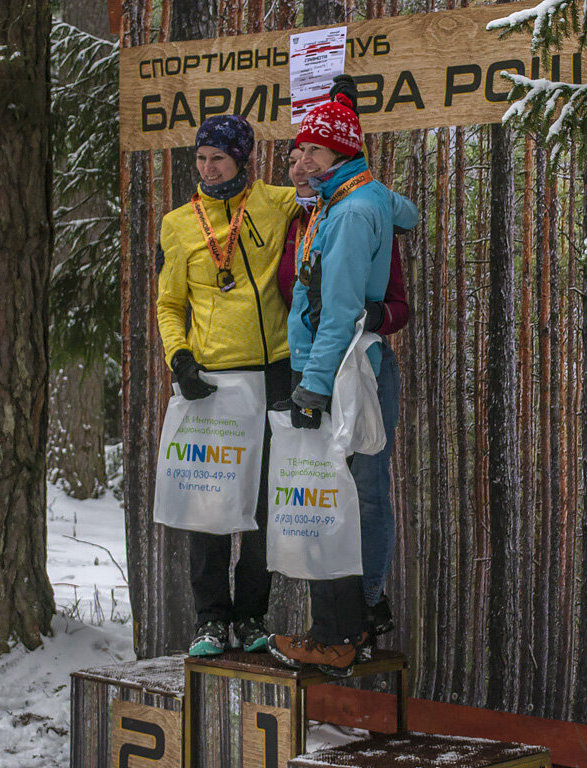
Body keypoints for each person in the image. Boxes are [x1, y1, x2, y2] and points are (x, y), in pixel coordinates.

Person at [267, 90, 419, 677]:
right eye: (297, 149)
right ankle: (351, 622)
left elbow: (341, 313)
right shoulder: (353, 198)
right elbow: (402, 209)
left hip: (345, 370)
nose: (298, 161)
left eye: (310, 150)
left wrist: (313, 384)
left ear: (335, 155)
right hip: (348, 368)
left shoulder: (351, 213)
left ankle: (338, 635)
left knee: (343, 499)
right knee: (351, 494)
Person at [156, 115, 300, 657]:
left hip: (274, 373)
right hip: (212, 379)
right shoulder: (178, 224)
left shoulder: (276, 202)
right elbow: (170, 304)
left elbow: (331, 180)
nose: (208, 168)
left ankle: (251, 616)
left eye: (219, 157)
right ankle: (210, 620)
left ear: (243, 159)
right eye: (200, 158)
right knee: (210, 505)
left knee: (265, 505)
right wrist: (180, 357)